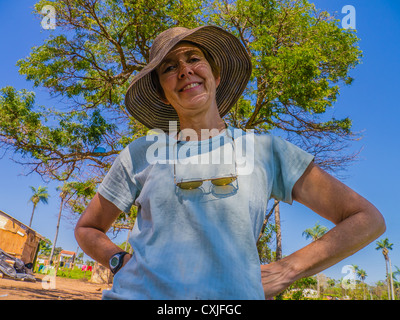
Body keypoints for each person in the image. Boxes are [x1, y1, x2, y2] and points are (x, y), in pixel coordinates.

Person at [74, 26, 385, 300]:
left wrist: (289, 269)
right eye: (169, 67)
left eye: (193, 58)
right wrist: (118, 261)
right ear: (164, 94)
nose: (184, 70)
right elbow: (88, 227)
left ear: (216, 76)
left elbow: (365, 218)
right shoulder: (141, 152)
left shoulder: (265, 149)